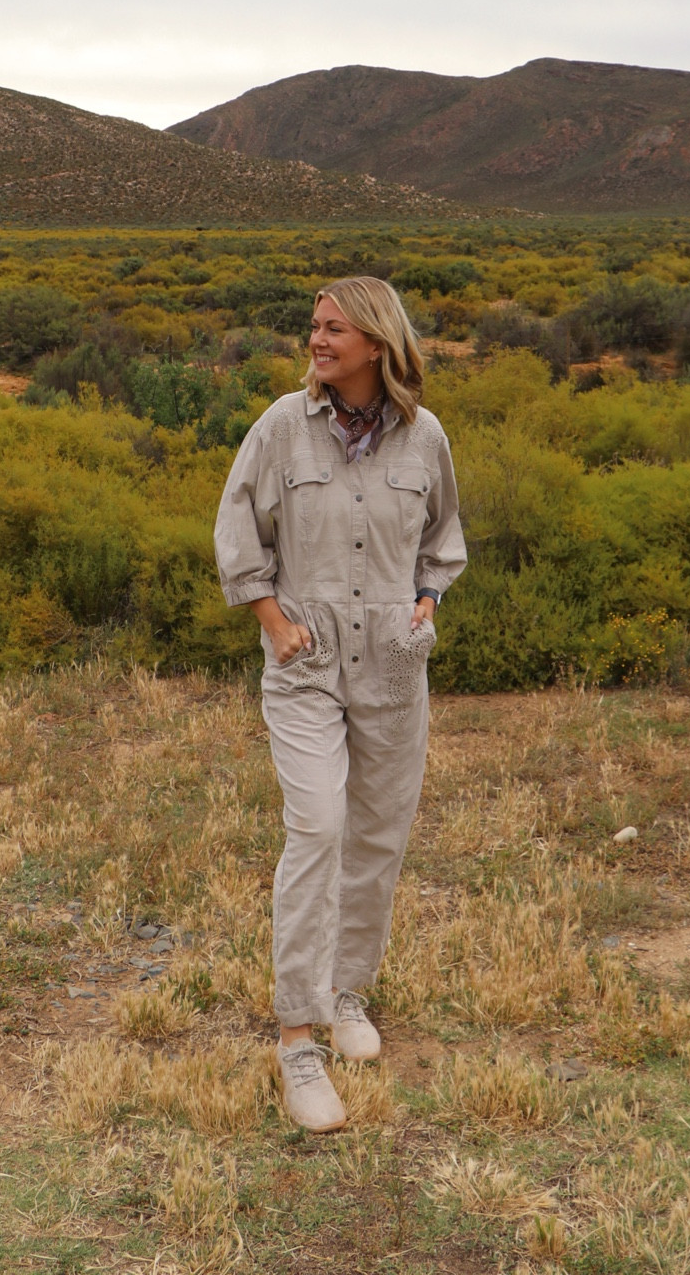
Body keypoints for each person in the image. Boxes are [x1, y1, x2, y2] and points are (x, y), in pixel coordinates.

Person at [213, 275, 466, 1131]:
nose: (317, 341)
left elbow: (443, 539)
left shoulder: (424, 436)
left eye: (333, 328)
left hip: (394, 663)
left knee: (378, 834)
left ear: (376, 342)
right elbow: (238, 529)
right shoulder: (283, 426)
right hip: (307, 661)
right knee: (318, 826)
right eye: (314, 327)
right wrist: (272, 620)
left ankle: (346, 993)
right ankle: (296, 1040)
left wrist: (426, 603)